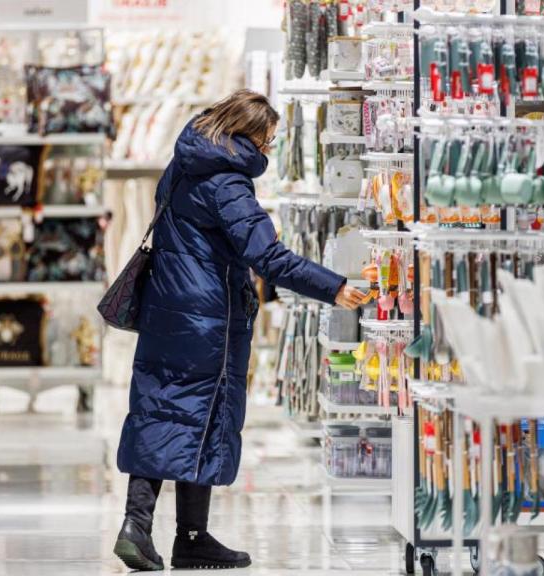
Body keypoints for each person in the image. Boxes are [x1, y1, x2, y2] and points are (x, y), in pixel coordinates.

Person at [113, 90, 366, 571]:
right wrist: (332, 287)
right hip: (208, 315)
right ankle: (176, 533)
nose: (268, 150)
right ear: (247, 133)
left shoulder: (185, 161)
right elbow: (267, 256)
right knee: (203, 415)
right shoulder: (227, 182)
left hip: (167, 308)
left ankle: (152, 529)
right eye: (267, 139)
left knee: (162, 411)